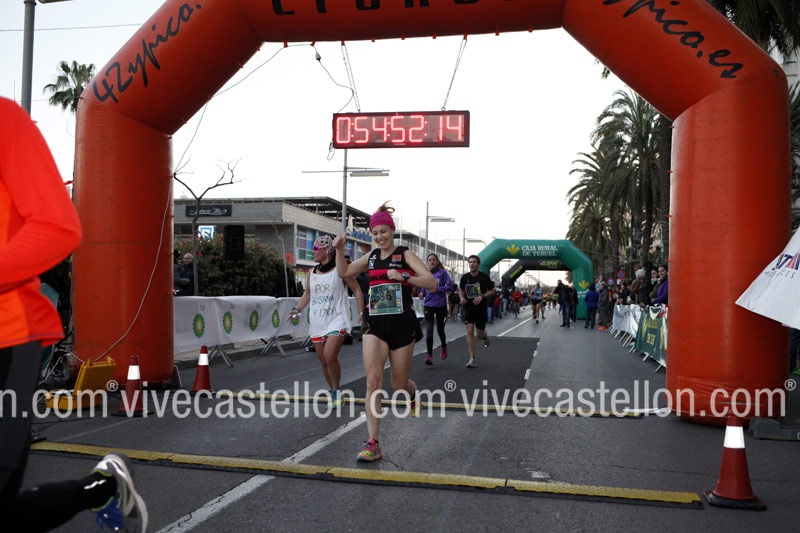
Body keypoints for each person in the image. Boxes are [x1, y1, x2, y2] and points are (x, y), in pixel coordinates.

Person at [0, 96, 147, 531]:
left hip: (8, 335)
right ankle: (105, 485)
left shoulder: (5, 121)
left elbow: (57, 226)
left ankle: (103, 486)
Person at [332, 202, 435, 462]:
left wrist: (404, 277)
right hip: (375, 323)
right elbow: (344, 272)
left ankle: (412, 393)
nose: (379, 237)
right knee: (373, 382)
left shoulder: (405, 255)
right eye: (375, 233)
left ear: (392, 230)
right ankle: (373, 443)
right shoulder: (371, 257)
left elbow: (431, 282)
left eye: (383, 231)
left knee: (398, 384)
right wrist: (340, 250)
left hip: (401, 324)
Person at [289, 235, 363, 407]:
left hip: (337, 319)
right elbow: (308, 294)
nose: (312, 252)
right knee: (323, 359)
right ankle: (333, 391)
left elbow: (357, 290)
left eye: (316, 249)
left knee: (330, 356)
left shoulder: (340, 270)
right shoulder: (312, 273)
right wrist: (297, 309)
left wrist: (361, 311)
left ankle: (336, 391)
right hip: (318, 321)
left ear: (327, 250)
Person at [459, 255, 495, 368]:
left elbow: (492, 291)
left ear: (478, 264)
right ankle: (472, 358)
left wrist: (482, 296)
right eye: (470, 262)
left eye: (474, 262)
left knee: (479, 335)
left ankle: (484, 336)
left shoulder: (484, 277)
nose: (472, 264)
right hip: (469, 307)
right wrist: (461, 297)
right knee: (469, 330)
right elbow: (461, 289)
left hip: (480, 308)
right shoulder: (465, 277)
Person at [418, 253, 453, 365]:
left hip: (440, 305)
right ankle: (429, 356)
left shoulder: (443, 273)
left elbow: (450, 287)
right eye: (430, 260)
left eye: (434, 259)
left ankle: (443, 346)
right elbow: (424, 285)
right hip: (428, 305)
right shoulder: (426, 273)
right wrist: (422, 293)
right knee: (429, 330)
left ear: (437, 261)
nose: (432, 261)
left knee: (440, 330)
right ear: (427, 262)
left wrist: (437, 289)